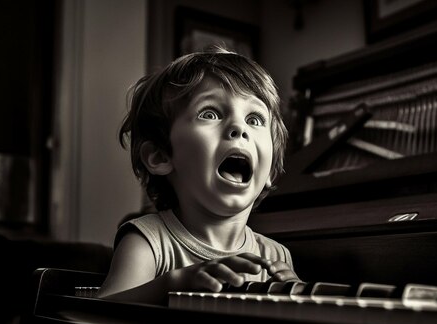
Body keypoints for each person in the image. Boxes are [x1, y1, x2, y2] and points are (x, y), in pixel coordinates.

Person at [96, 47, 299, 305]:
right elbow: (100, 315)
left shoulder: (277, 256)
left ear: (269, 170)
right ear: (160, 156)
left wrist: (296, 295)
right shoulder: (147, 241)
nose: (239, 128)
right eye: (210, 114)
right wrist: (171, 286)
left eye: (255, 118)